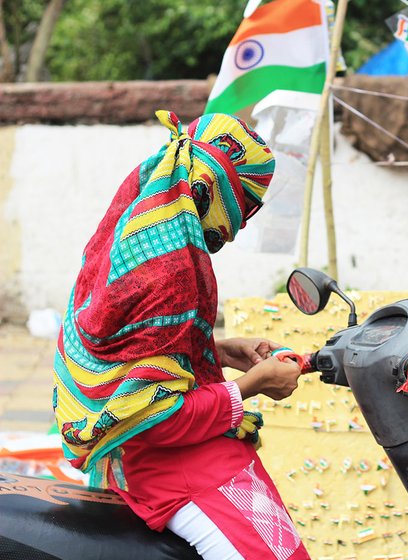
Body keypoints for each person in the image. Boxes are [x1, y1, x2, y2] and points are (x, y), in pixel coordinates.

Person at [53, 110, 310, 560]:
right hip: (164, 461)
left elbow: (134, 351)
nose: (242, 223)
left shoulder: (141, 230)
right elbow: (158, 415)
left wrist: (221, 351)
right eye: (246, 204)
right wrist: (254, 385)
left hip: (153, 449)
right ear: (217, 191)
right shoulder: (171, 272)